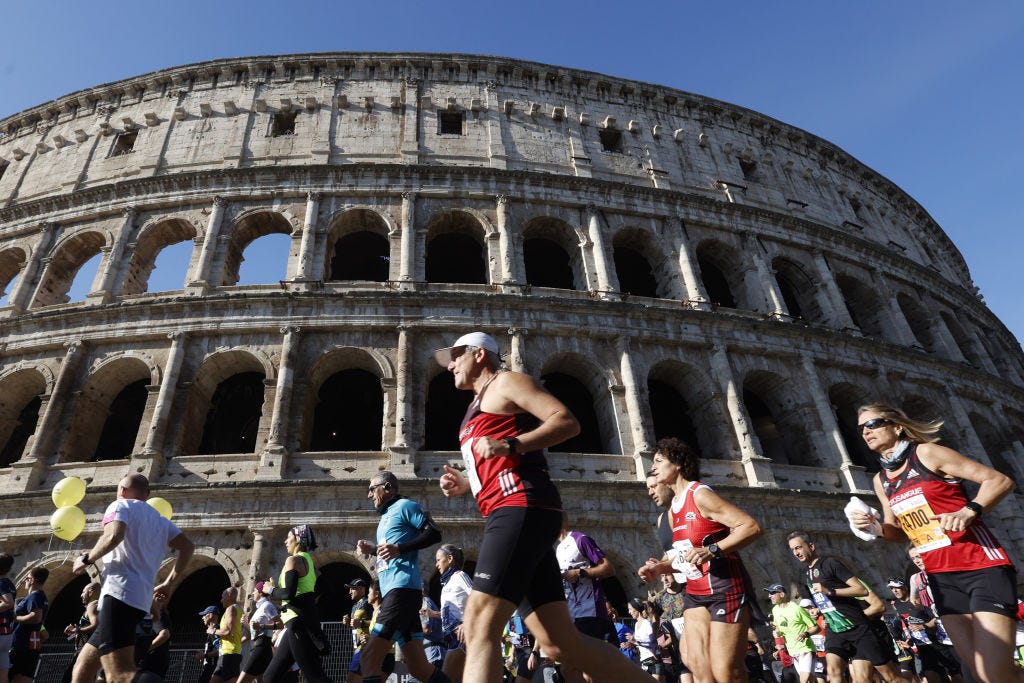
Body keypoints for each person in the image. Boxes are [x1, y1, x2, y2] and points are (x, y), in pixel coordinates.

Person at [435, 331, 656, 683]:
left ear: (479, 354)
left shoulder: (506, 382)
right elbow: (493, 461)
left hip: (522, 506)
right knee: (559, 644)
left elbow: (566, 421)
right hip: (513, 510)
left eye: (456, 355)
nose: (449, 365)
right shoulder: (475, 405)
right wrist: (466, 482)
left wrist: (511, 444)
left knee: (478, 621)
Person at [851, 403, 1019, 683]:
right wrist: (875, 527)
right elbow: (897, 531)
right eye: (861, 429)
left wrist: (969, 510)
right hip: (941, 579)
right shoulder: (881, 480)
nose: (866, 432)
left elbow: (999, 480)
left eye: (874, 424)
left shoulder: (927, 454)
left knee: (995, 674)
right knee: (977, 673)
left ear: (897, 426)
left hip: (981, 567)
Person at [637, 436, 763, 683]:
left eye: (659, 461)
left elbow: (750, 527)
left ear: (678, 465)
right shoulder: (673, 511)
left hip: (725, 589)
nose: (653, 467)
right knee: (695, 663)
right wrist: (660, 567)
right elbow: (684, 556)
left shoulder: (700, 494)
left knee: (726, 671)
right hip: (695, 592)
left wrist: (713, 550)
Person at [71, 473, 194, 683]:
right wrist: (169, 581)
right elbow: (188, 547)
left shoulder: (120, 505)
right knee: (82, 669)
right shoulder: (160, 520)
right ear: (146, 495)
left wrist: (86, 558)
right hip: (139, 600)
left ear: (122, 490)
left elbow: (114, 535)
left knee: (119, 674)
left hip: (119, 593)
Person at [356, 472, 450, 683]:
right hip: (398, 592)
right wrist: (372, 550)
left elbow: (434, 533)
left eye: (372, 489)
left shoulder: (407, 506)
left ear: (387, 487)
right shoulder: (384, 517)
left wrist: (399, 548)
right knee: (419, 668)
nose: (369, 495)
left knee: (369, 658)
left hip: (402, 590)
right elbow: (390, 555)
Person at [786, 531, 901, 683]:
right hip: (835, 629)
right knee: (833, 673)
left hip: (857, 627)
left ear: (811, 546)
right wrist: (823, 611)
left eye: (799, 547)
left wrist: (830, 591)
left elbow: (862, 590)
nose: (796, 552)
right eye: (793, 549)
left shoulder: (830, 564)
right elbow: (828, 602)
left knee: (888, 677)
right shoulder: (807, 574)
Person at [261, 524, 332, 683]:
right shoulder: (310, 563)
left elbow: (288, 594)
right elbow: (326, 589)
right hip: (296, 624)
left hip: (297, 624)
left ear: (298, 539)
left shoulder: (292, 560)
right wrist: (309, 606)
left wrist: (271, 590)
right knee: (269, 677)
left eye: (289, 537)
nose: (286, 541)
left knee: (315, 677)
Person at [765, 584, 820, 683]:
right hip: (792, 651)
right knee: (810, 681)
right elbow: (778, 627)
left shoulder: (796, 609)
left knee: (803, 680)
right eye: (769, 593)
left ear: (782, 594)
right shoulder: (775, 610)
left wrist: (805, 634)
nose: (769, 596)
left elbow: (816, 627)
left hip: (805, 648)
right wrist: (777, 633)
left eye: (772, 593)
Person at [435, 544, 473, 682]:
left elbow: (477, 598)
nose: (436, 564)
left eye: (438, 560)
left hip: (460, 638)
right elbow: (452, 611)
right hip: (452, 638)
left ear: (450, 558)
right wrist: (433, 614)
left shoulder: (459, 576)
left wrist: (467, 623)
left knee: (445, 679)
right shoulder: (447, 583)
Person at [10, 567, 48, 683]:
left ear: (32, 580)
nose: (25, 580)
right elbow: (44, 633)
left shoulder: (35, 596)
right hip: (29, 646)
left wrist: (15, 618)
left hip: (21, 646)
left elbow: (36, 617)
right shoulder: (40, 596)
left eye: (27, 578)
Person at [237, 581, 280, 683]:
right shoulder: (260, 608)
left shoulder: (267, 605)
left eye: (254, 590)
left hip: (261, 648)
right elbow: (255, 633)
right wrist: (246, 624)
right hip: (257, 646)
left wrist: (261, 626)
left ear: (260, 592)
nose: (252, 593)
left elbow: (280, 624)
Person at [62, 582, 100, 683]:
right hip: (82, 650)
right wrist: (73, 633)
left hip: (85, 650)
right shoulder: (91, 607)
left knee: (69, 678)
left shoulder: (93, 606)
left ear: (91, 592)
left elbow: (95, 625)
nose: (81, 595)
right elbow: (85, 629)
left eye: (83, 592)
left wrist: (77, 630)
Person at [210, 587, 244, 683]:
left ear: (229, 596)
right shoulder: (239, 609)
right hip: (229, 653)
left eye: (222, 597)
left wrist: (212, 630)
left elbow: (228, 631)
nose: (221, 600)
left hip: (230, 653)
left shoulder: (231, 609)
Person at [135, 592, 171, 678]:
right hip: (155, 662)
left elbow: (164, 634)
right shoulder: (159, 616)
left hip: (151, 662)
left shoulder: (160, 616)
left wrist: (144, 650)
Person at [626, 599, 663, 681]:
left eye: (630, 609)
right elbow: (639, 643)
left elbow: (653, 642)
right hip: (644, 662)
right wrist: (631, 644)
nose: (629, 612)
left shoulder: (646, 623)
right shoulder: (636, 624)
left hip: (654, 660)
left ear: (636, 608)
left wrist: (636, 642)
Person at [345, 579, 373, 683]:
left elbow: (377, 621)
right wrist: (348, 622)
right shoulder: (354, 605)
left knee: (351, 680)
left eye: (352, 588)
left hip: (365, 648)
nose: (350, 592)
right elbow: (356, 625)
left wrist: (360, 623)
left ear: (361, 589)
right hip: (358, 648)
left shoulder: (367, 603)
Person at [0, 554, 17, 683]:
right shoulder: (9, 583)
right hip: (6, 633)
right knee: (3, 672)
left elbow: (8, 603)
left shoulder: (0, 583)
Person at [197, 606, 222, 683]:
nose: (202, 618)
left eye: (204, 615)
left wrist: (205, 655)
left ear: (210, 615)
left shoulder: (215, 630)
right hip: (211, 668)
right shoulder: (212, 631)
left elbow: (220, 650)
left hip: (213, 669)